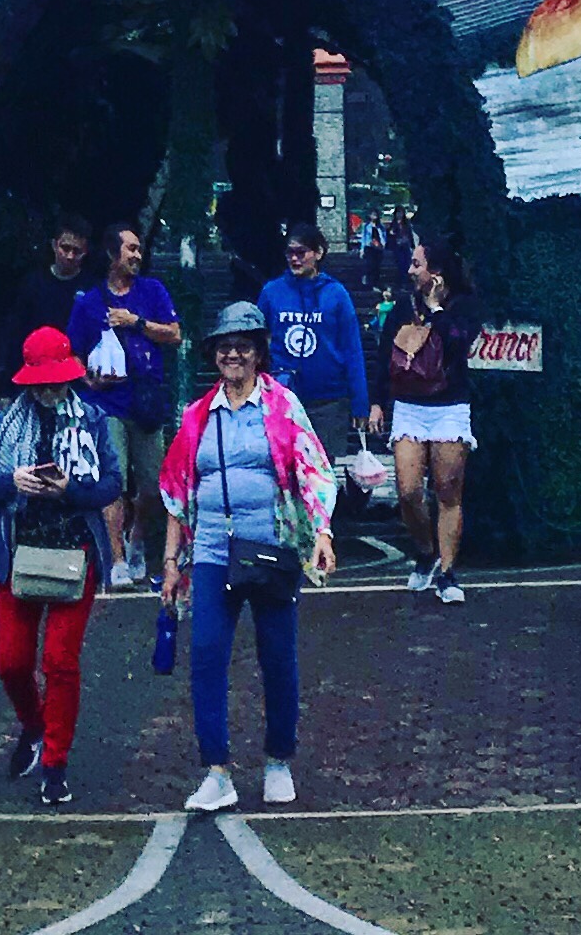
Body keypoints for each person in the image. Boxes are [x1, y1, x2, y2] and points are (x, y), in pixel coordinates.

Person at [160, 301, 339, 812]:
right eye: (224, 345)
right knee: (208, 656)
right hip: (214, 551)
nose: (233, 353)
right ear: (214, 355)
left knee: (278, 657)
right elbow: (176, 494)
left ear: (259, 352)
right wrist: (172, 564)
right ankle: (216, 772)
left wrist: (321, 533)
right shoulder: (195, 416)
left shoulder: (283, 407)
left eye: (243, 344)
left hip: (273, 550)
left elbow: (314, 471)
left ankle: (279, 759)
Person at [0, 322, 125, 810]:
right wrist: (10, 481)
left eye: (58, 379)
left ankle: (55, 762)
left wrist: (70, 491)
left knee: (60, 661)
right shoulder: (6, 422)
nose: (51, 389)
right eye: (42, 381)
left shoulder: (94, 420)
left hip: (74, 555)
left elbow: (112, 484)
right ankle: (34, 726)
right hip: (16, 554)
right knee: (11, 662)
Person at [68, 222, 182, 589]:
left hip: (146, 402)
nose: (137, 255)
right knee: (112, 483)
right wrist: (90, 381)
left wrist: (136, 322)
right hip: (106, 404)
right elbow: (72, 355)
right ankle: (116, 559)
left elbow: (175, 334)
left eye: (138, 249)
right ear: (111, 254)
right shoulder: (89, 302)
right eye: (130, 249)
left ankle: (135, 538)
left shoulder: (152, 291)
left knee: (152, 485)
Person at [370, 233, 482, 604]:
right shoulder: (403, 306)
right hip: (410, 406)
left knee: (449, 490)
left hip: (450, 406)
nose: (409, 269)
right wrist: (377, 402)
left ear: (436, 272)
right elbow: (386, 353)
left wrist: (436, 310)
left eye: (417, 264)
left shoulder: (464, 305)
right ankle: (425, 552)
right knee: (408, 491)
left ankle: (448, 573)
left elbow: (457, 341)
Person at [259, 220, 370, 476]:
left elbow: (352, 349)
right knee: (280, 471)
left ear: (318, 253)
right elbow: (258, 341)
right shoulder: (272, 292)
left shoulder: (336, 294)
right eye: (290, 253)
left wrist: (360, 403)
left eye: (302, 252)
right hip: (282, 398)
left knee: (320, 474)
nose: (295, 259)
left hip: (328, 401)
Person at [1, 215, 96, 378]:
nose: (70, 256)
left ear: (85, 252)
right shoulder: (33, 282)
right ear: (54, 245)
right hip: (33, 369)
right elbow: (15, 331)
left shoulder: (92, 289)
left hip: (74, 375)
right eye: (65, 248)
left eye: (77, 251)